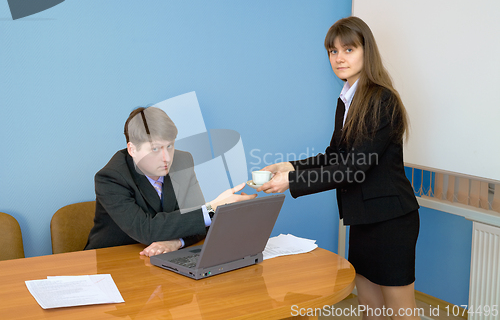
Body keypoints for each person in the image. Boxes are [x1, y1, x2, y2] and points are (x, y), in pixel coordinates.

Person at [258, 17, 420, 320]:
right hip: (362, 218)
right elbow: (335, 154)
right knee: (369, 305)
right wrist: (289, 165)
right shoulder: (348, 98)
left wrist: (291, 181)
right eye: (333, 52)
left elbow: (353, 167)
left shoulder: (381, 99)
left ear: (365, 51)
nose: (339, 58)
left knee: (401, 311)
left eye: (348, 49)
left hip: (392, 220)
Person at [85, 106, 256, 256]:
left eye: (170, 146)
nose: (166, 158)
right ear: (132, 149)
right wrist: (212, 208)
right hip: (113, 261)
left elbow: (198, 222)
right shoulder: (111, 177)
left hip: (160, 259)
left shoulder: (183, 162)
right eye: (155, 149)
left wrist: (177, 242)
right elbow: (147, 230)